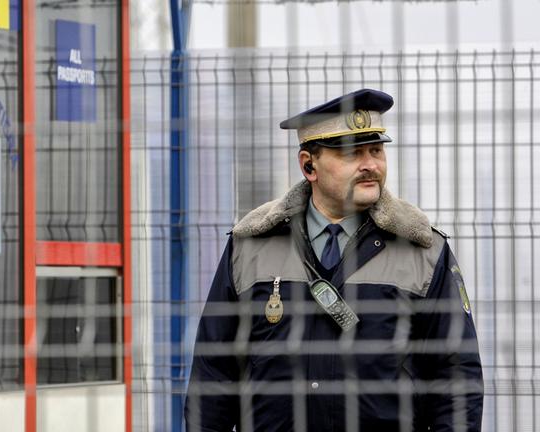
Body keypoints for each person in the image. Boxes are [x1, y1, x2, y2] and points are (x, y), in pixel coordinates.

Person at [184, 89, 484, 431]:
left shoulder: (424, 251)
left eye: (376, 150)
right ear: (309, 165)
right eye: (353, 153)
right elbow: (212, 376)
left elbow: (457, 379)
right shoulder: (250, 246)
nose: (370, 165)